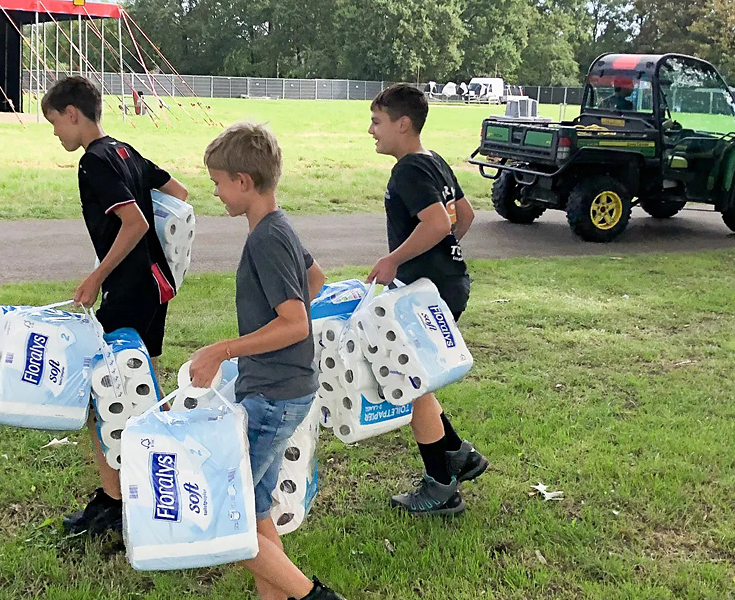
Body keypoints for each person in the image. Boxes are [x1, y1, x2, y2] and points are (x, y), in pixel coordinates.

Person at [188, 122, 341, 600]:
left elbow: (295, 323)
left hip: (273, 396)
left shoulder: (266, 239)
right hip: (282, 388)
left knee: (226, 514)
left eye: (218, 182)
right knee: (254, 509)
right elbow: (315, 279)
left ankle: (313, 597)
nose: (216, 192)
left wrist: (221, 350)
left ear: (243, 181)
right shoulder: (278, 226)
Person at [41, 75, 189, 535]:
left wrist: (97, 276)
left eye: (54, 123)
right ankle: (158, 481)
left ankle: (115, 502)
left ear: (73, 114)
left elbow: (135, 222)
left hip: (128, 289)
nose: (55, 133)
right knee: (143, 388)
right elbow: (179, 194)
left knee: (102, 391)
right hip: (156, 286)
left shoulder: (94, 162)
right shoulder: (126, 150)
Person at [365, 83, 489, 516]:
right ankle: (457, 454)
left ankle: (441, 486)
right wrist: (442, 256)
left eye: (377, 122)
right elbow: (464, 215)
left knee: (411, 383)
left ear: (402, 124)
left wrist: (396, 259)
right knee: (418, 380)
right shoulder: (433, 160)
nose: (371, 130)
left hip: (426, 293)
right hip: (447, 284)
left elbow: (437, 223)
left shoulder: (408, 170)